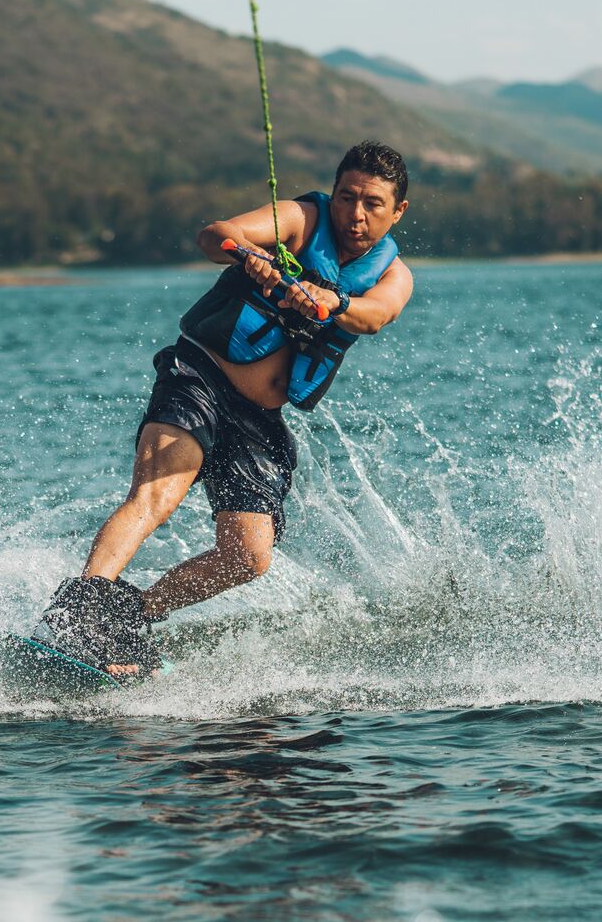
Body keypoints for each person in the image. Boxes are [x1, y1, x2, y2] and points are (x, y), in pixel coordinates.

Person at [40, 140, 416, 676]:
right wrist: (249, 254)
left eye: (372, 203)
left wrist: (333, 301)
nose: (355, 214)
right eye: (347, 197)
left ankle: (127, 618)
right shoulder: (299, 218)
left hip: (258, 418)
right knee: (157, 492)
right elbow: (214, 233)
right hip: (200, 376)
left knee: (249, 556)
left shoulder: (392, 275)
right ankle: (80, 612)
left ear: (397, 210)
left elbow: (376, 315)